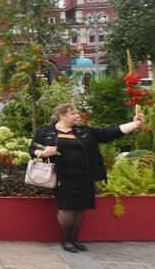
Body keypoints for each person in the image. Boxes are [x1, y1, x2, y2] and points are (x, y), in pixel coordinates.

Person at [31, 103, 145, 253]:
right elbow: (32, 148)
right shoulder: (46, 133)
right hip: (62, 176)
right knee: (67, 207)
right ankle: (66, 240)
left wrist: (135, 124)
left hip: (85, 175)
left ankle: (74, 239)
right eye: (73, 113)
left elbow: (109, 133)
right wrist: (43, 153)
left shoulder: (84, 131)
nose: (76, 116)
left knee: (79, 207)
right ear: (62, 115)